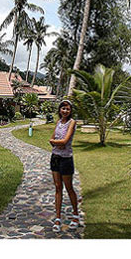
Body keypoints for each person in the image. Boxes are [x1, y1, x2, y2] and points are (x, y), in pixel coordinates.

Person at [49, 99, 80, 232]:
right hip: (55, 157)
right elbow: (52, 140)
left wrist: (55, 142)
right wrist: (56, 142)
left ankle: (75, 215)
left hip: (66, 159)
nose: (65, 111)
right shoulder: (58, 122)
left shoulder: (72, 122)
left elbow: (65, 141)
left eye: (68, 109)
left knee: (69, 188)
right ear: (60, 110)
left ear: (71, 111)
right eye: (63, 108)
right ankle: (57, 218)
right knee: (58, 188)